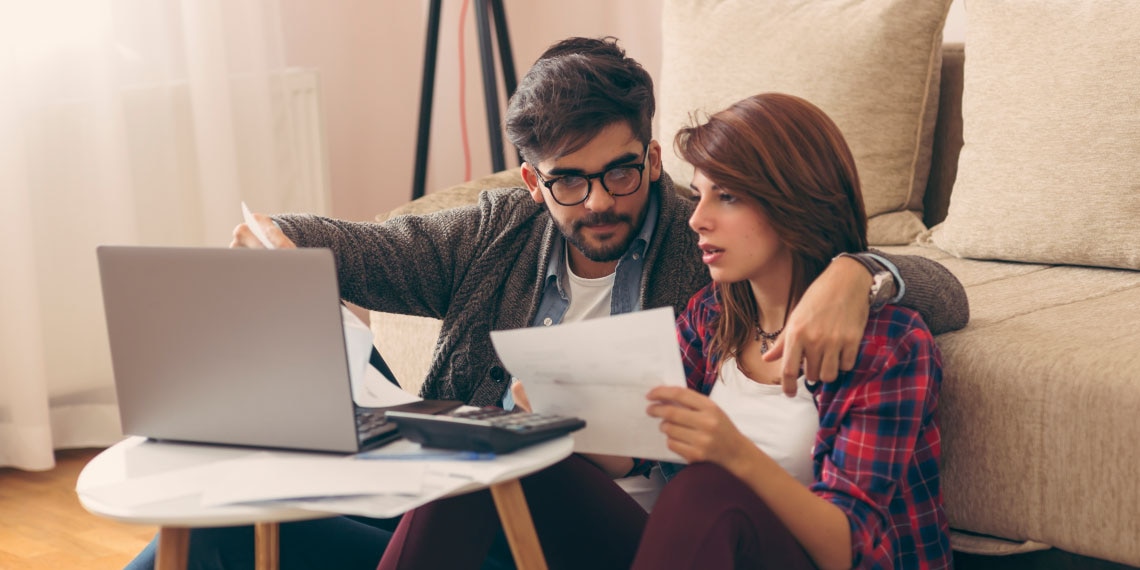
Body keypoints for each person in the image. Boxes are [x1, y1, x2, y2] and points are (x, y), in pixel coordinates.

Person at [124, 37, 965, 570]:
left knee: (702, 492)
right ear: (533, 182)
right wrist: (272, 239)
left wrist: (859, 272)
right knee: (207, 535)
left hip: (663, 539)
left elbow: (937, 288)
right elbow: (365, 249)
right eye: (569, 179)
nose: (601, 199)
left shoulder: (707, 260)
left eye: (622, 172)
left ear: (649, 158)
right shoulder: (709, 313)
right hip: (493, 526)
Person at [375, 92, 952, 569]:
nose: (697, 218)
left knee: (705, 489)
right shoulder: (711, 318)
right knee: (487, 452)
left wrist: (731, 454)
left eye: (727, 197)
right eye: (699, 196)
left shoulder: (887, 343)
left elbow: (853, 549)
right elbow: (638, 460)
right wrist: (558, 417)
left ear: (794, 201)